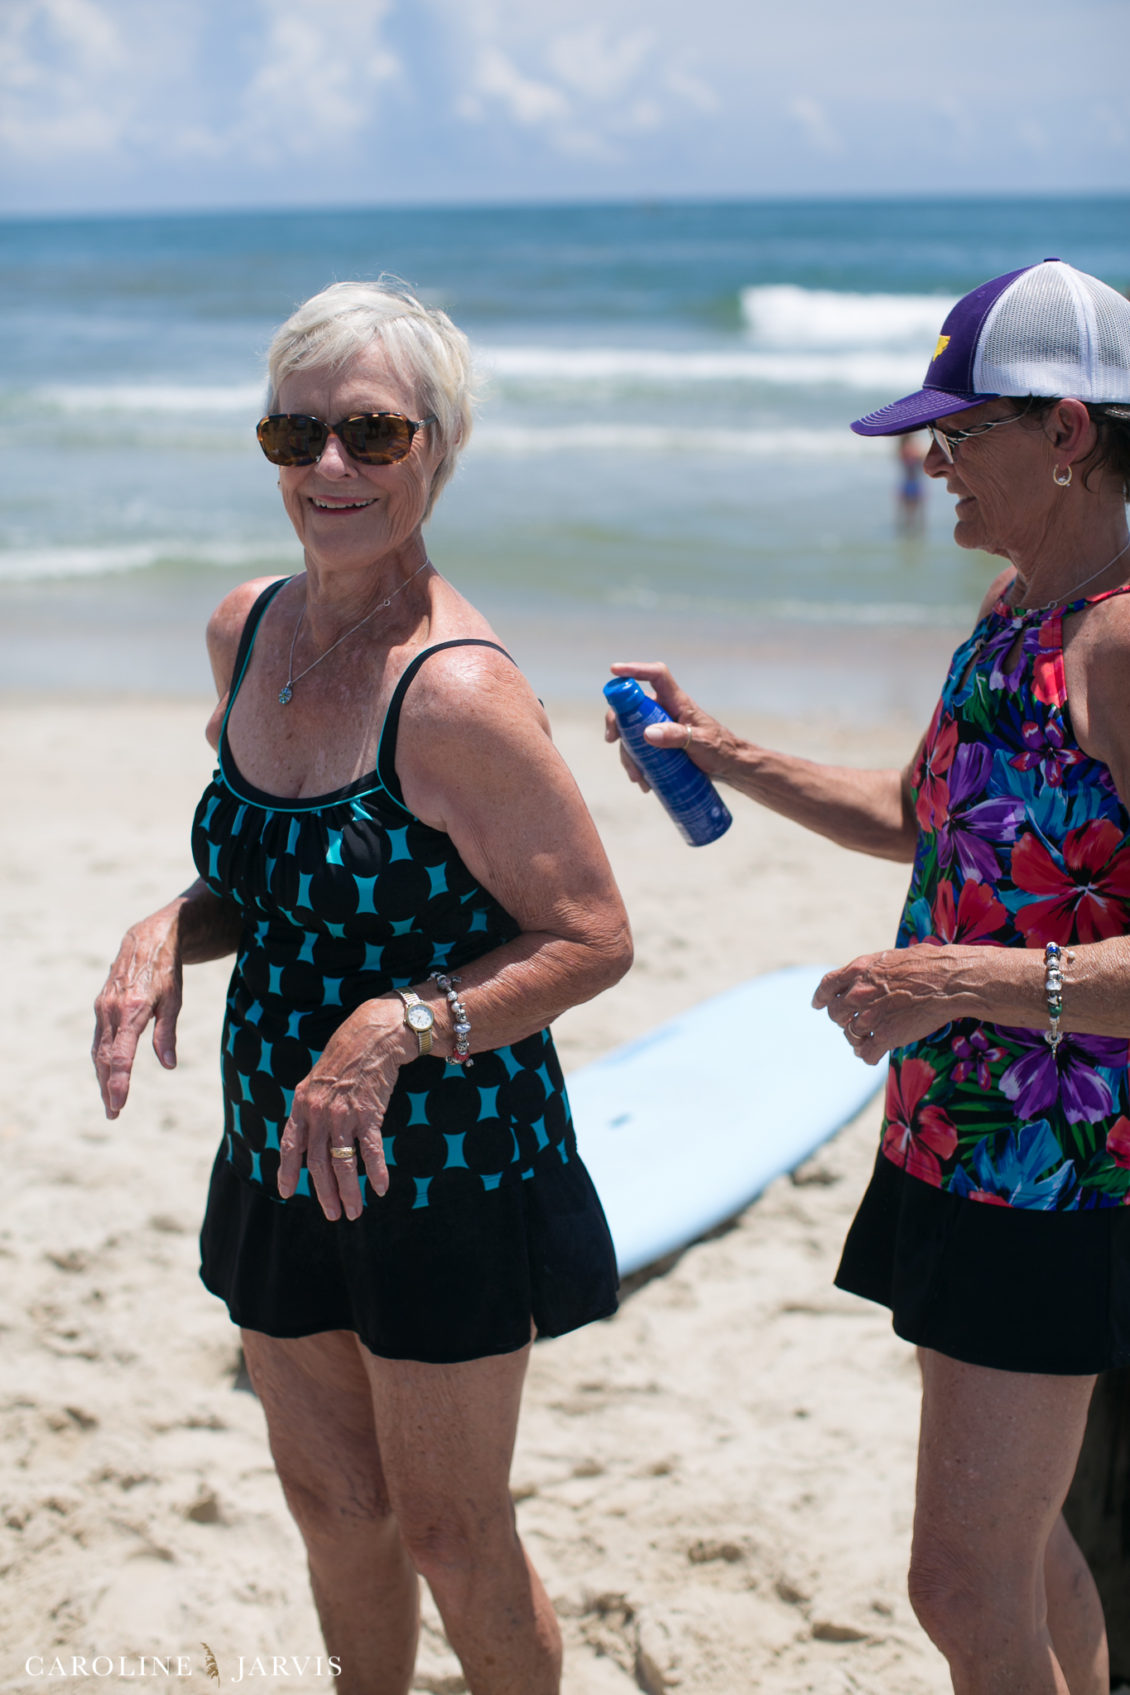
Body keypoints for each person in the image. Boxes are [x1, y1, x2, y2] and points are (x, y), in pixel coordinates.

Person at [92, 279, 632, 1695]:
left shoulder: (456, 694)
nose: (329, 468)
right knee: (335, 1511)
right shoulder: (245, 630)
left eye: (372, 435)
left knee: (454, 1536)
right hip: (278, 1135)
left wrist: (400, 1025)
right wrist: (167, 922)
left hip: (445, 1159)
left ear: (437, 451)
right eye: (296, 434)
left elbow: (589, 936)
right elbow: (273, 885)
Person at [607, 259, 1130, 1695]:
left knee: (957, 1584)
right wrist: (725, 756)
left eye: (956, 435)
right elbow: (922, 816)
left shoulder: (1119, 637)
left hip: (1060, 1172)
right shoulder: (1015, 609)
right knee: (1017, 1556)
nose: (929, 464)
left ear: (1068, 434)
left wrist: (956, 981)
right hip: (957, 1142)